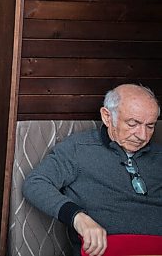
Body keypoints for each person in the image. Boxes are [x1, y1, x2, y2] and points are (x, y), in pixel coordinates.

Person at [23, 84, 162, 256]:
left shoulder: (159, 155)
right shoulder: (78, 149)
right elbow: (35, 183)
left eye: (150, 126)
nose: (142, 135)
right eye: (133, 123)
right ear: (107, 117)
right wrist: (78, 217)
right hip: (106, 249)